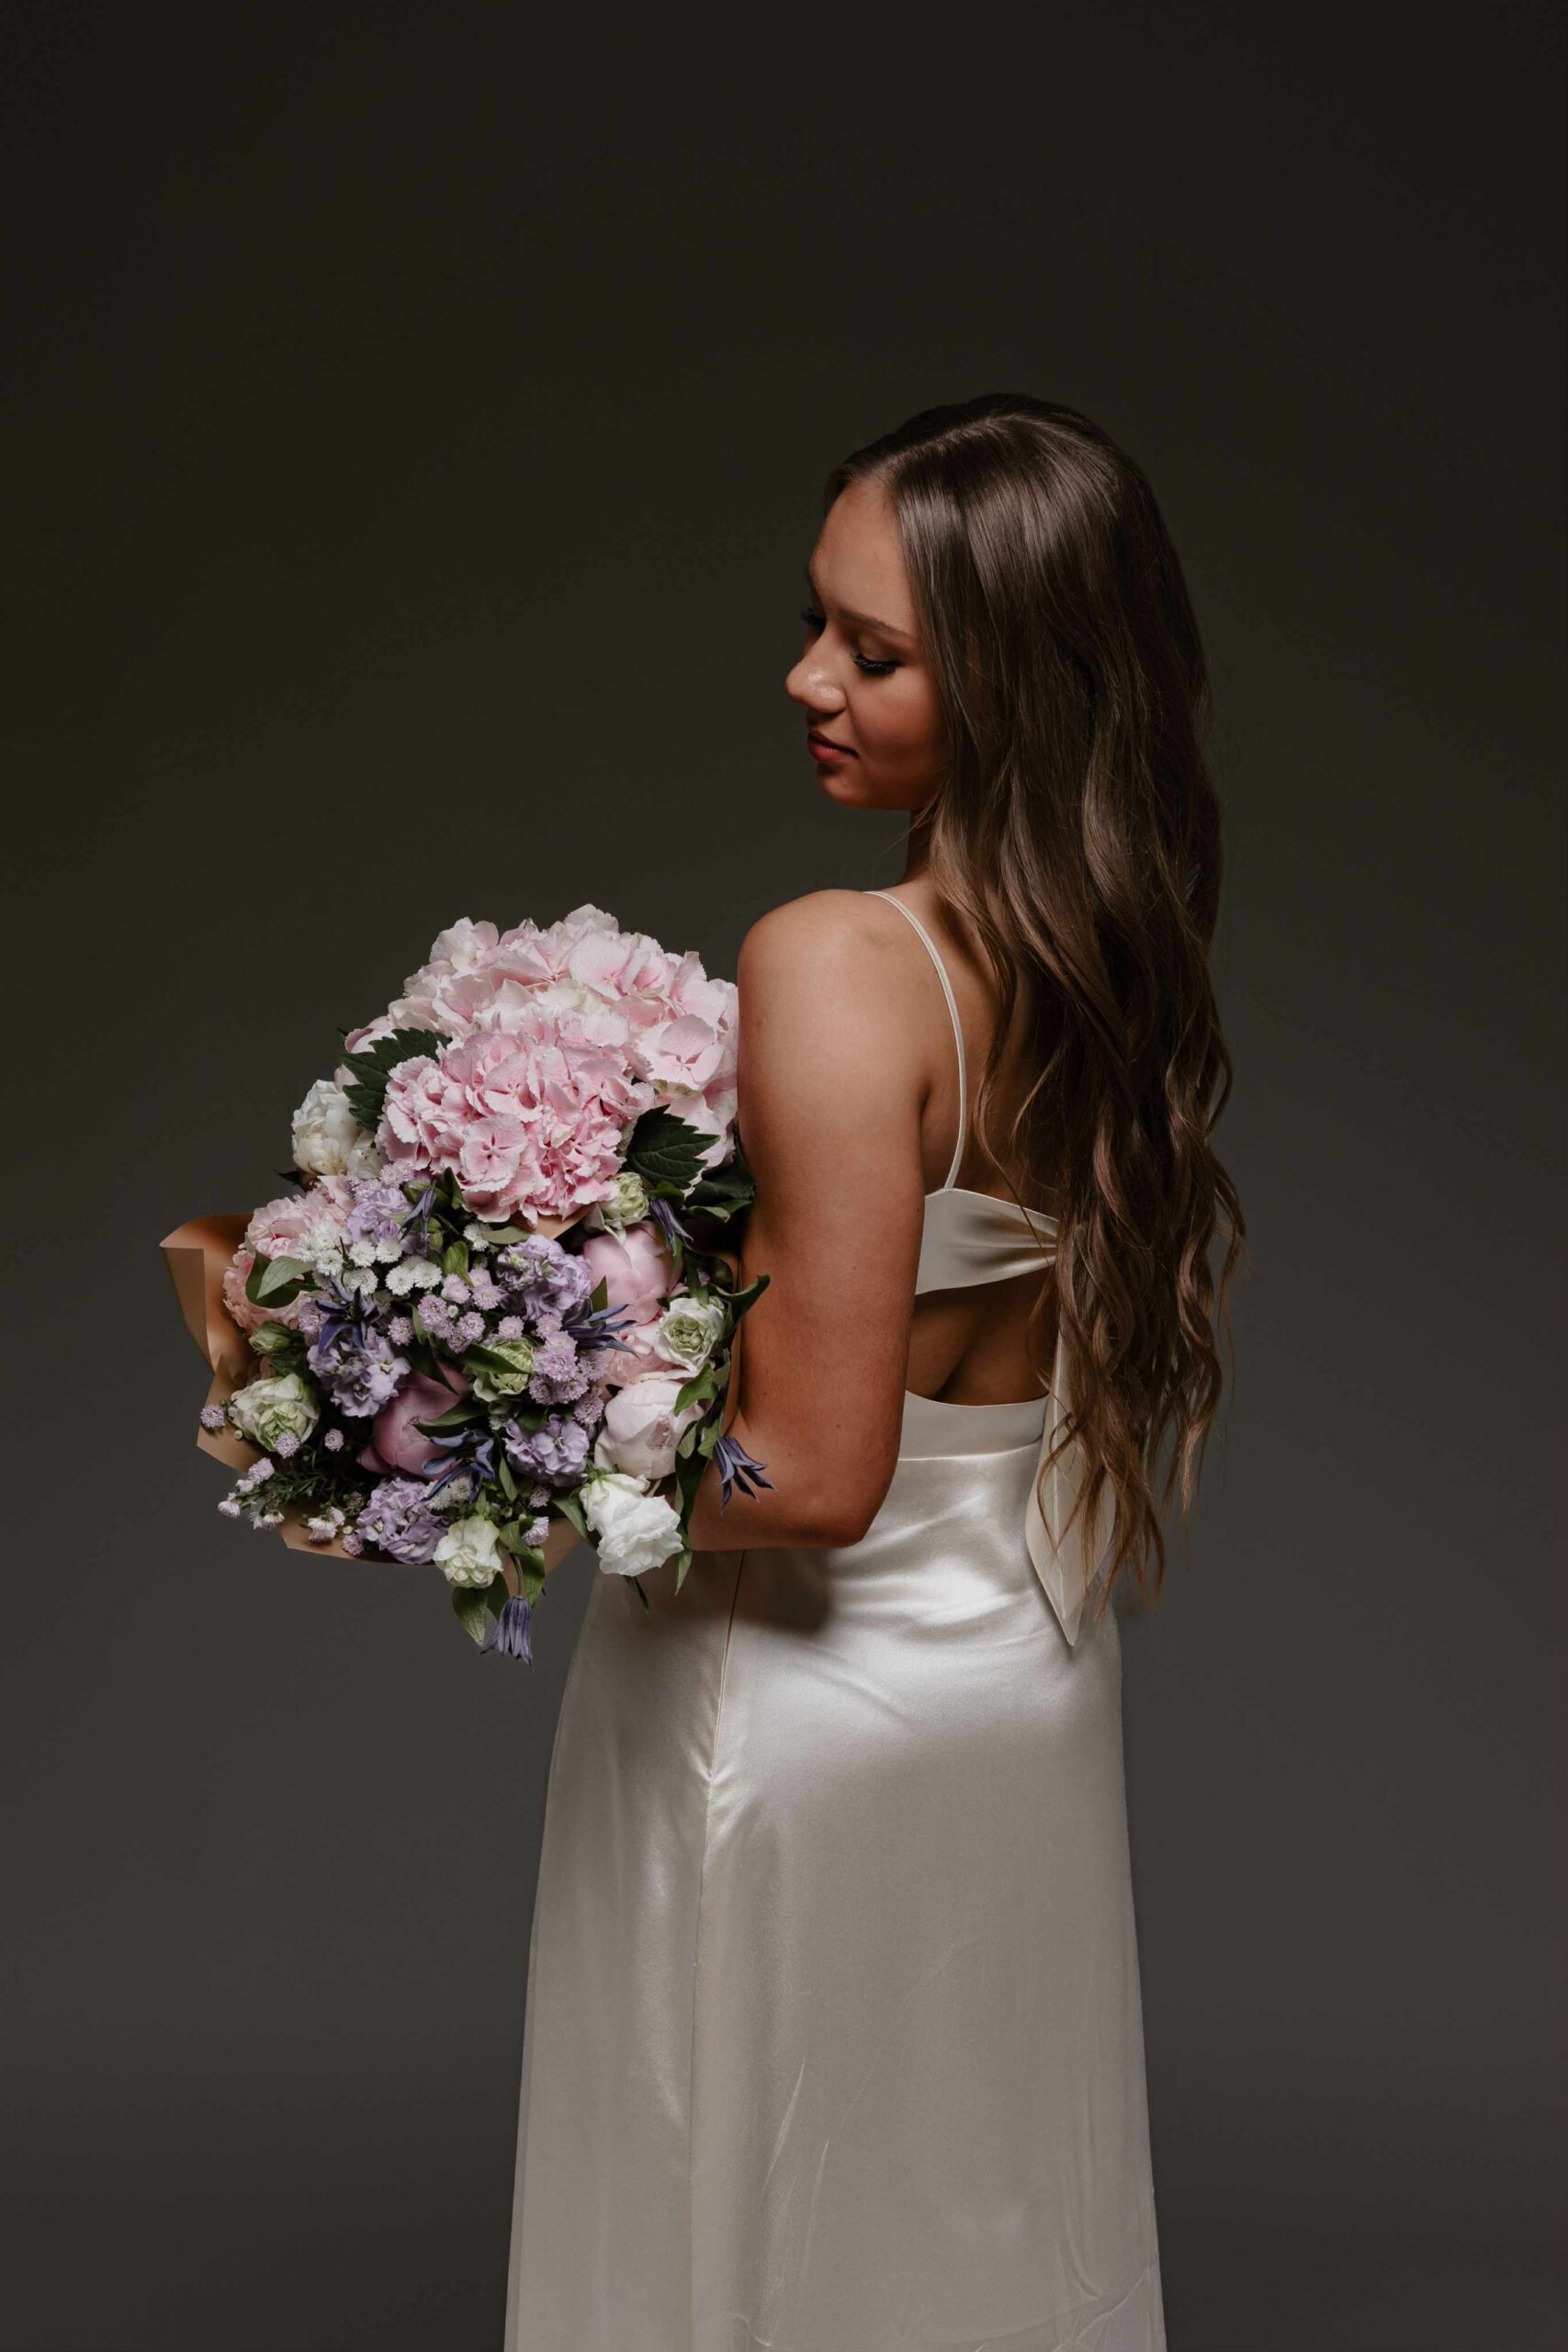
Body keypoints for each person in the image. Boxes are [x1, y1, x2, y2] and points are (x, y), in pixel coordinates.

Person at [502, 393, 1245, 2351]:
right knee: (969, 2206)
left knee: (749, 2201)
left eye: (876, 651)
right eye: (815, 622)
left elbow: (811, 1476)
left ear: (1014, 684)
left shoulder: (837, 961)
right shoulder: (1099, 957)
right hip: (1015, 1672)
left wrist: (499, 1453)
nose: (805, 678)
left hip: (796, 1704)